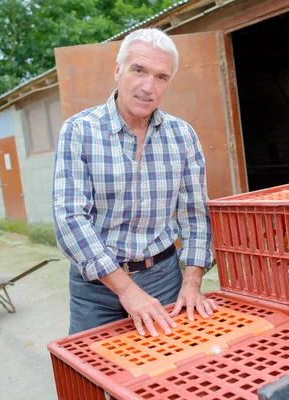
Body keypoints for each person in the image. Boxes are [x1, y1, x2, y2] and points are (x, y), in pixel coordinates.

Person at [52, 28, 216, 338]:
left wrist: (192, 283)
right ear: (118, 70)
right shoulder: (79, 131)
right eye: (138, 70)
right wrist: (126, 290)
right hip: (96, 289)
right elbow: (69, 218)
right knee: (95, 376)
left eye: (161, 77)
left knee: (170, 373)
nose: (147, 87)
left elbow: (195, 215)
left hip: (165, 278)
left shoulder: (182, 136)